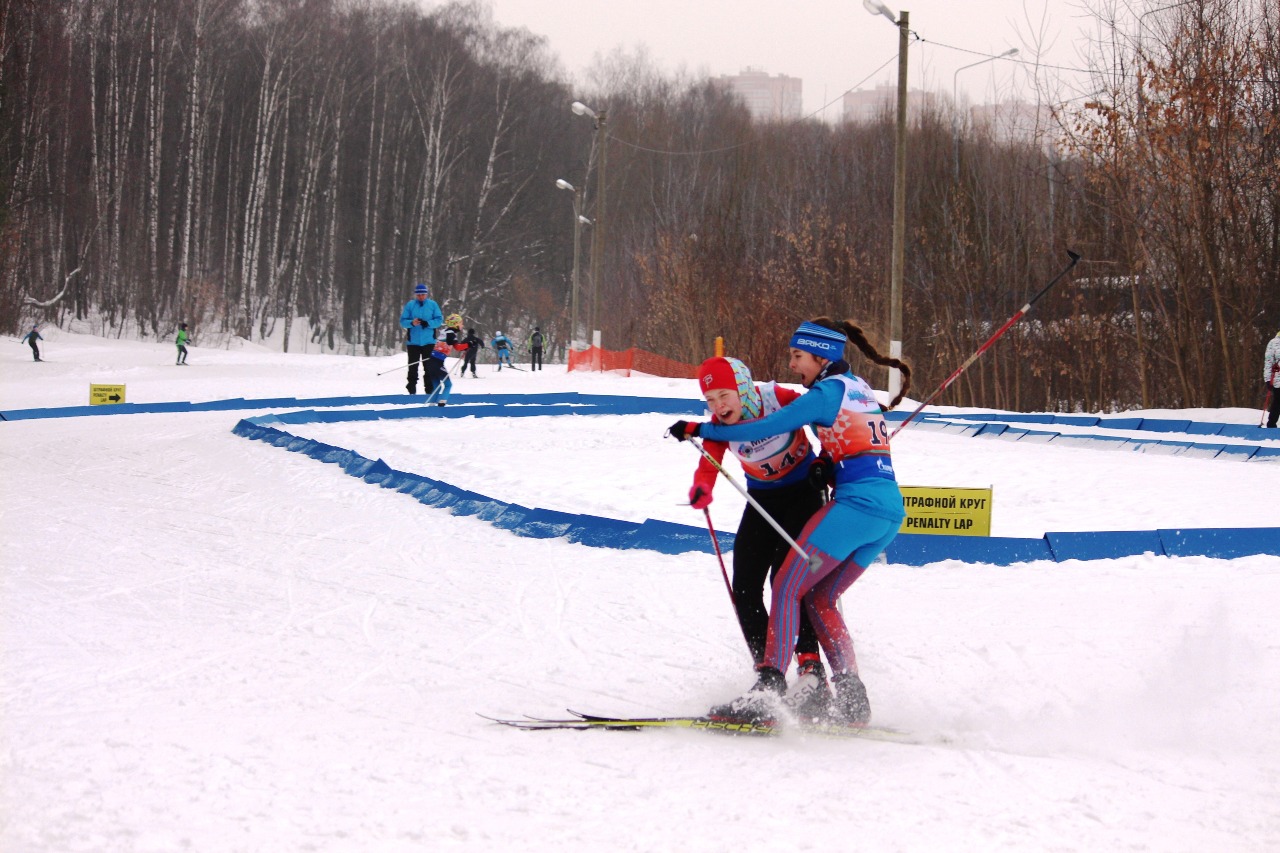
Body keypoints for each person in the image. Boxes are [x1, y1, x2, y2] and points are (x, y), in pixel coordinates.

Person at [668, 318, 911, 725]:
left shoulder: (825, 392)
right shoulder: (857, 386)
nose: (793, 365)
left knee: (785, 586)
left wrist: (699, 427)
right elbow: (852, 442)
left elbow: (771, 424)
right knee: (819, 598)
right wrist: (826, 462)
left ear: (821, 355)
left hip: (856, 507)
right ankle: (853, 702)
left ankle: (770, 690)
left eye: (798, 356)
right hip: (887, 512)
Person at [685, 356, 833, 719]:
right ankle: (769, 677)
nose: (719, 406)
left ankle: (811, 670)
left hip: (803, 495)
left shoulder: (775, 397)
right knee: (745, 586)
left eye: (724, 395)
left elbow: (822, 419)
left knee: (786, 581)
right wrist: (702, 488)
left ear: (742, 388)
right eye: (710, 400)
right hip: (762, 501)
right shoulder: (719, 426)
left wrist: (825, 461)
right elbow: (709, 464)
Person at [400, 283, 443, 393]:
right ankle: (411, 389)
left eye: (423, 294)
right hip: (413, 342)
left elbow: (439, 320)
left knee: (429, 367)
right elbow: (403, 321)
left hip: (429, 342)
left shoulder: (433, 305)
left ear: (426, 294)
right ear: (415, 295)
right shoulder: (410, 305)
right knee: (412, 367)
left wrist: (428, 323)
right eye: (418, 295)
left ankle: (429, 390)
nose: (421, 297)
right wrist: (412, 323)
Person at [1264, 328, 1280, 428]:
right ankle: (1271, 423)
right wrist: (1268, 379)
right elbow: (1268, 362)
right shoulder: (1273, 343)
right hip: (1278, 379)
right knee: (1278, 401)